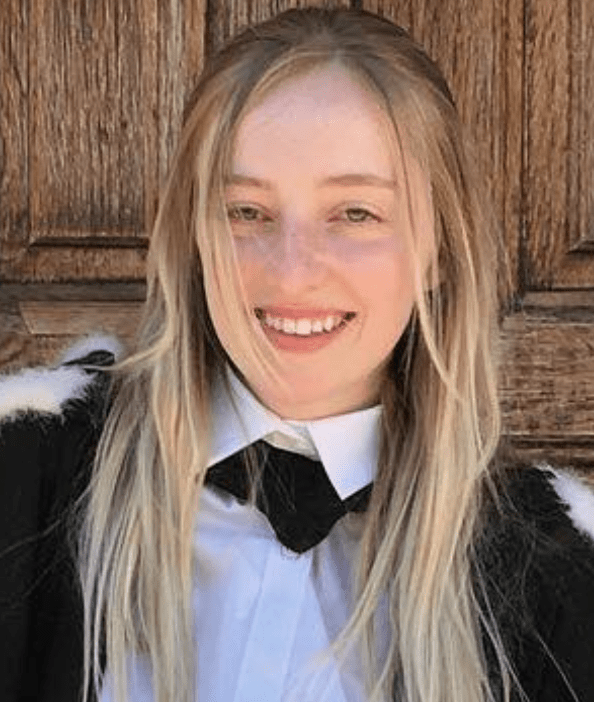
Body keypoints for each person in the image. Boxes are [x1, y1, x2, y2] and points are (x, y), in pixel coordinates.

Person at [1, 6, 593, 702]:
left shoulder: (558, 578)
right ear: (194, 238)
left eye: (356, 213)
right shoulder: (29, 476)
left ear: (438, 249)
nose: (292, 272)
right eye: (246, 211)